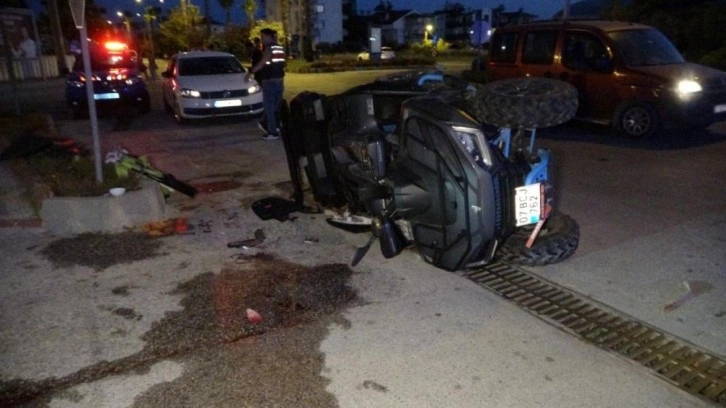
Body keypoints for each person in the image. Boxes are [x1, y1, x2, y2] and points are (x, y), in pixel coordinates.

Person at [244, 28, 286, 141]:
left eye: (262, 36)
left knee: (269, 108)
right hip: (279, 80)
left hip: (269, 81)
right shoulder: (280, 48)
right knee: (276, 106)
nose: (261, 39)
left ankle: (272, 132)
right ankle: (274, 126)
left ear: (268, 36)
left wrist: (250, 72)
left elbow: (262, 63)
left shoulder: (269, 48)